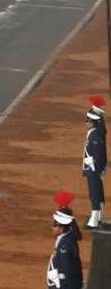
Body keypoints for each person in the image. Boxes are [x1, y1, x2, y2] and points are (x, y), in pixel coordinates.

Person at [83, 98, 106, 229]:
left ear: (93, 122)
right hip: (93, 168)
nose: (86, 122)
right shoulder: (94, 133)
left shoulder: (95, 136)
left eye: (88, 120)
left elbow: (97, 153)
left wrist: (92, 163)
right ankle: (98, 218)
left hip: (93, 169)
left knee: (94, 194)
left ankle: (94, 221)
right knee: (97, 193)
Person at [46, 207, 83, 289]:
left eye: (54, 225)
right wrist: (67, 214)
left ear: (61, 227)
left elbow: (66, 271)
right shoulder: (70, 235)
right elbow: (78, 235)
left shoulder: (64, 246)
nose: (52, 227)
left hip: (64, 284)